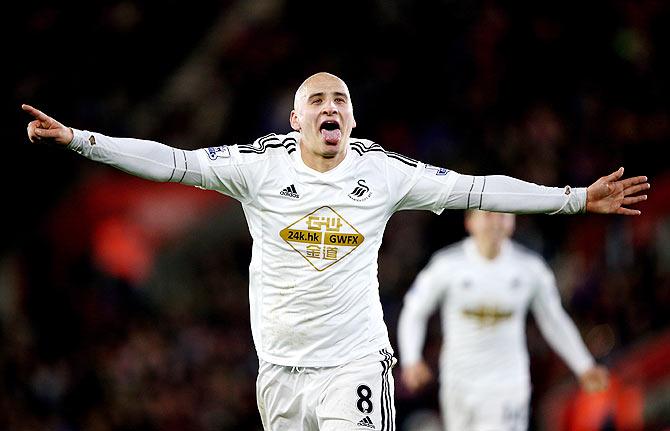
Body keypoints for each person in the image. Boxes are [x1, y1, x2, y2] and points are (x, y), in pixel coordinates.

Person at [22, 72, 648, 431]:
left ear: (352, 120)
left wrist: (573, 199)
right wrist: (81, 140)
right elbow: (171, 162)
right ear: (294, 121)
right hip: (279, 377)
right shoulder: (257, 168)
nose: (330, 106)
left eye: (340, 100)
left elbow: (474, 188)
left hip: (352, 367)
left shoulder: (383, 173)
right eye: (317, 100)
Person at [397, 209, 610, 431]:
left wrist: (584, 365)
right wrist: (411, 359)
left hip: (507, 384)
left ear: (513, 222)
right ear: (470, 222)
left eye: (503, 216)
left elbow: (553, 319)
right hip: (457, 383)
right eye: (488, 215)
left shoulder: (530, 269)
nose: (496, 223)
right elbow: (414, 310)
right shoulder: (447, 265)